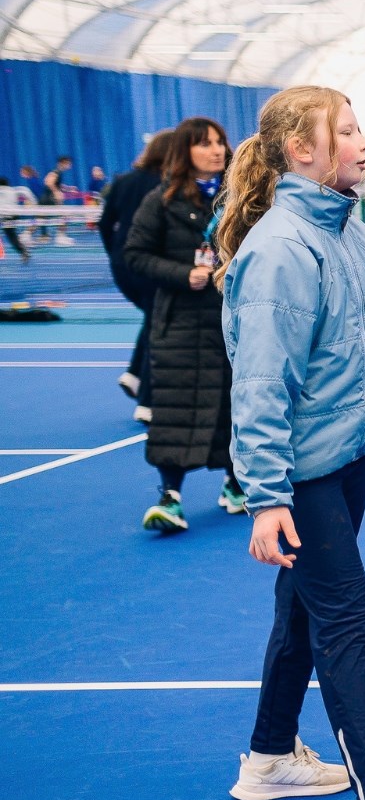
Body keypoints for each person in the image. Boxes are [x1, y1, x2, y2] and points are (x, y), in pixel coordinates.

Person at [218, 85, 365, 800]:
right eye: (347, 132)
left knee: (304, 614)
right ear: (302, 151)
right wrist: (268, 497)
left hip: (349, 464)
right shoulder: (281, 250)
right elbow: (258, 385)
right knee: (348, 617)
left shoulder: (358, 237)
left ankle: (270, 757)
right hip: (304, 476)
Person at [121, 117, 247, 531]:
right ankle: (169, 498)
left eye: (220, 142)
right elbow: (135, 254)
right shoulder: (160, 201)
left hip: (231, 322)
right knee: (176, 409)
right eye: (205, 143)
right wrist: (182, 274)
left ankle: (235, 485)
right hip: (179, 326)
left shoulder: (242, 202)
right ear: (184, 151)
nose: (216, 150)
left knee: (235, 405)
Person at [99, 130, 171, 422]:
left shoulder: (123, 181)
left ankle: (133, 374)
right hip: (151, 265)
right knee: (162, 323)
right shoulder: (167, 186)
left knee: (156, 317)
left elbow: (106, 224)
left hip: (122, 267)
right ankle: (148, 402)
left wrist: (116, 254)